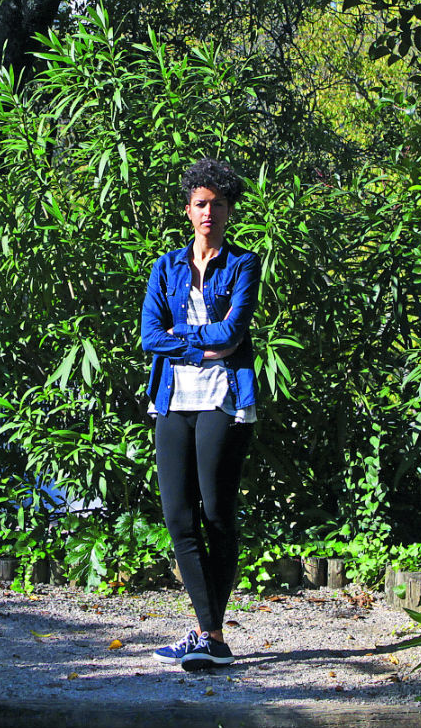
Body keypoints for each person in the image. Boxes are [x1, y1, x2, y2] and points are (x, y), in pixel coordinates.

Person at [138, 157, 261, 672]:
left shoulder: (243, 264)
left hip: (222, 401)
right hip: (172, 401)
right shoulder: (165, 267)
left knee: (217, 515)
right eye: (201, 203)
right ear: (188, 210)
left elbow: (233, 335)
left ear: (229, 210)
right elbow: (149, 335)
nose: (209, 211)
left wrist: (181, 342)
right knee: (177, 518)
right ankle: (210, 634)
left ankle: (209, 634)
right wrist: (200, 347)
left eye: (218, 203)